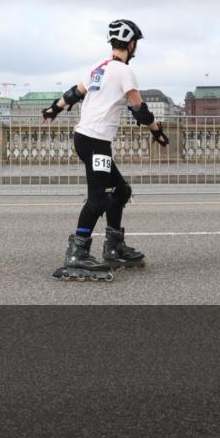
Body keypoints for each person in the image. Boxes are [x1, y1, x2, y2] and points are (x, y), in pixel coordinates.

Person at [42, 19, 169, 281]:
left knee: (121, 191)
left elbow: (73, 94)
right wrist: (157, 132)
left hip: (85, 138)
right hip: (96, 141)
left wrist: (53, 109)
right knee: (98, 198)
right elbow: (140, 111)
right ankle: (77, 253)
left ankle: (114, 246)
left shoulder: (97, 67)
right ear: (131, 45)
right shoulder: (124, 72)